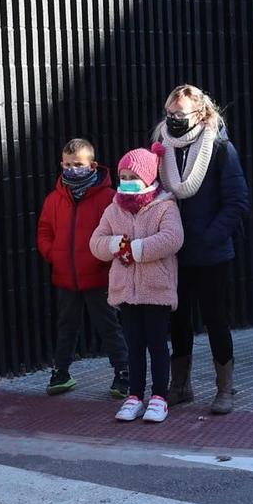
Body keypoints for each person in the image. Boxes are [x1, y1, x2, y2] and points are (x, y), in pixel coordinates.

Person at [153, 84, 252, 415]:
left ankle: (225, 389)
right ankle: (180, 386)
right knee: (177, 320)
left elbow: (237, 202)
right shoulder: (160, 148)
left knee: (215, 320)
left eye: (180, 114)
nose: (174, 119)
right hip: (173, 252)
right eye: (170, 114)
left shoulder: (220, 149)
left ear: (201, 113)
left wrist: (209, 237)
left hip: (210, 253)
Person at [89, 147, 184, 424]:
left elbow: (172, 238)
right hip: (125, 291)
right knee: (134, 345)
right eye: (123, 175)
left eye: (133, 175)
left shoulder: (165, 206)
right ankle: (134, 395)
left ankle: (159, 397)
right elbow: (96, 243)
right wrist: (115, 245)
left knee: (156, 344)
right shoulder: (113, 209)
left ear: (148, 177)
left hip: (156, 291)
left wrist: (136, 250)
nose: (127, 179)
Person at [38, 138, 129, 398]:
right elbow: (45, 230)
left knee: (109, 325)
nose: (72, 169)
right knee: (66, 325)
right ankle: (61, 372)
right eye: (67, 164)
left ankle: (123, 373)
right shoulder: (55, 199)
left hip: (99, 276)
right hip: (66, 275)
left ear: (92, 165)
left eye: (78, 164)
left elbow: (119, 230)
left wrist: (106, 260)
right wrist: (52, 253)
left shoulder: (109, 198)